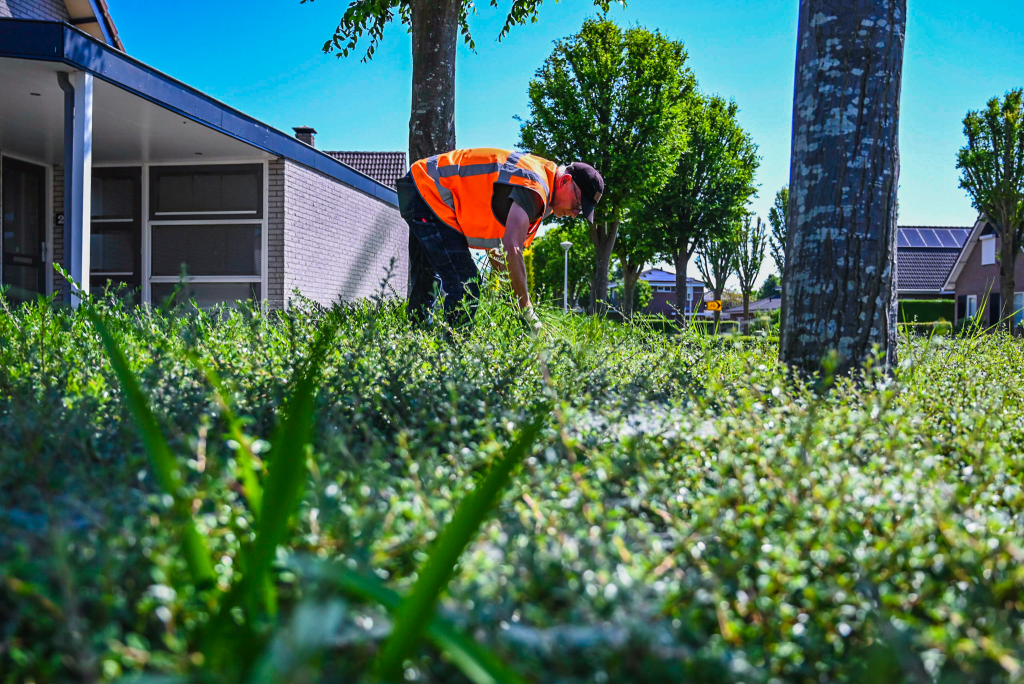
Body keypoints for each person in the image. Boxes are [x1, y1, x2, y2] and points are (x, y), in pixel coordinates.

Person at [395, 148, 604, 331]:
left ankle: (417, 339)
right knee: (467, 285)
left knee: (427, 278)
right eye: (577, 204)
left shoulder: (538, 178)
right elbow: (512, 248)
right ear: (566, 181)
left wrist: (512, 298)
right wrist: (527, 311)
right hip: (430, 194)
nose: (575, 213)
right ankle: (452, 355)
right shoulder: (535, 187)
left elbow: (500, 252)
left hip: (419, 186)